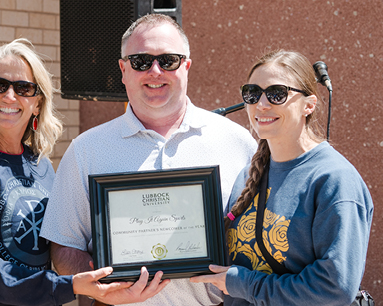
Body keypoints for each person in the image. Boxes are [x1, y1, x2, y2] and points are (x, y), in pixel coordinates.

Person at [0, 38, 167, 306]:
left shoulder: (41, 166)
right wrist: (69, 286)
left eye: (24, 88)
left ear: (37, 103)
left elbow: (64, 245)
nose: (9, 96)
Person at [40, 14, 258, 306]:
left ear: (187, 66)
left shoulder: (236, 142)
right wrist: (103, 287)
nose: (155, 71)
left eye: (168, 60)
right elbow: (65, 247)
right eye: (141, 61)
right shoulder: (86, 150)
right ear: (123, 69)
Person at [190, 50, 374, 305]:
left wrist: (244, 284)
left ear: (309, 105)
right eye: (252, 93)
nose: (261, 104)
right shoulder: (247, 176)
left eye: (277, 94)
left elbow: (334, 287)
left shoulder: (334, 180)